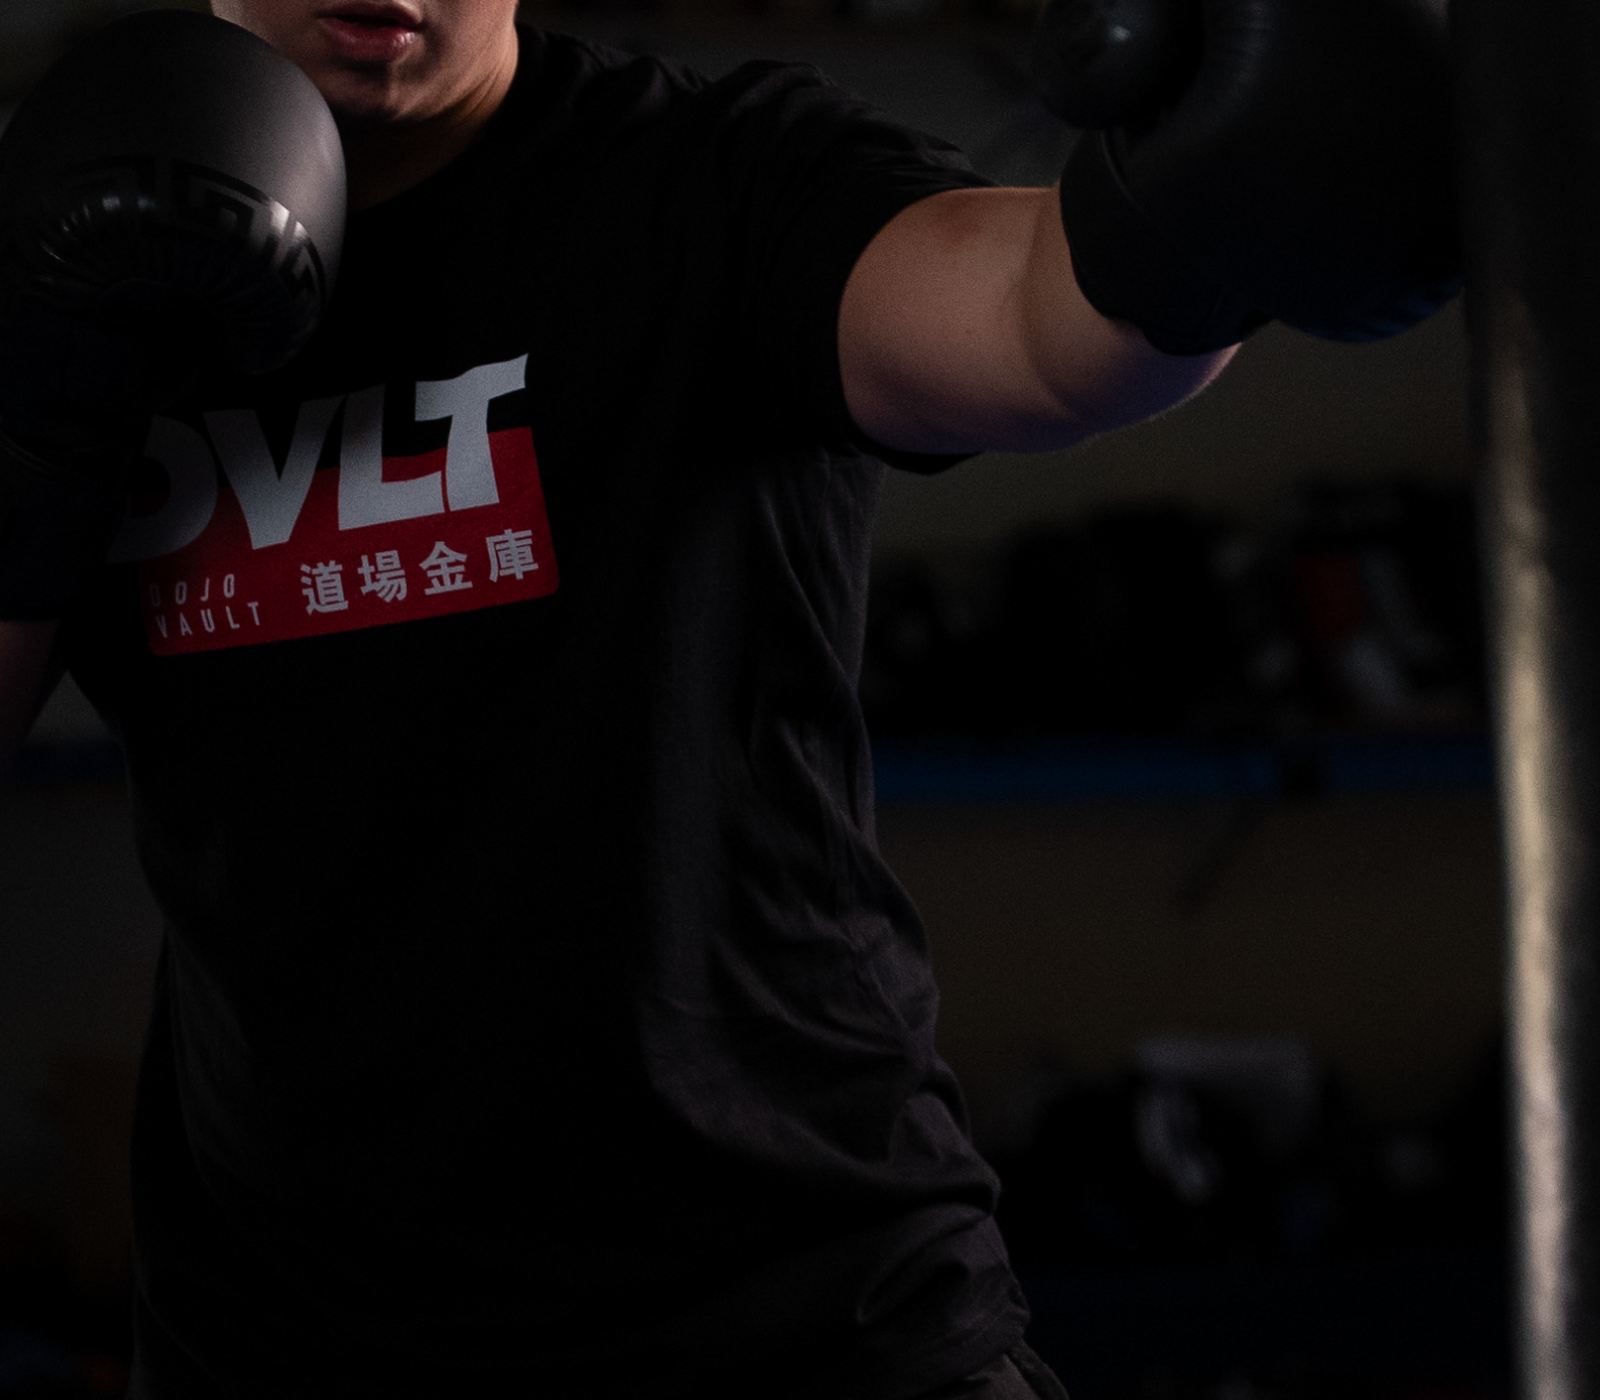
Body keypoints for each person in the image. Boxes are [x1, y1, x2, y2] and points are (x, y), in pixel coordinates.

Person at [0, 0, 1454, 1394]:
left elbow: (1032, 324)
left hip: (798, 1317)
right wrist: (38, 422)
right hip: (288, 1339)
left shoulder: (713, 179)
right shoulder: (63, 243)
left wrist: (1208, 210)